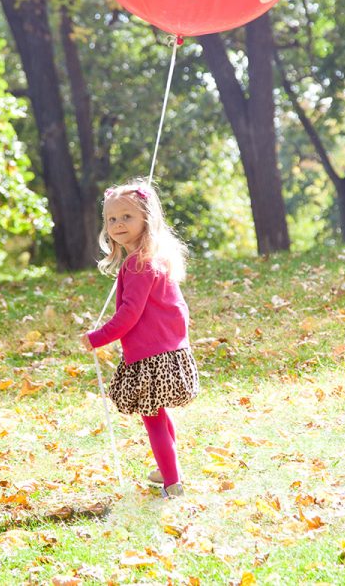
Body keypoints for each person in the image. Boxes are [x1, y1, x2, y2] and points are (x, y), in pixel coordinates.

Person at [82, 179, 199, 498]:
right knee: (160, 413)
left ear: (146, 218)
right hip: (168, 351)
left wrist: (98, 338)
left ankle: (173, 484)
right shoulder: (156, 257)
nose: (117, 224)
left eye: (126, 217)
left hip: (152, 357)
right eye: (111, 219)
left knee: (154, 420)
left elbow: (129, 315)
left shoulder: (139, 264)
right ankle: (167, 469)